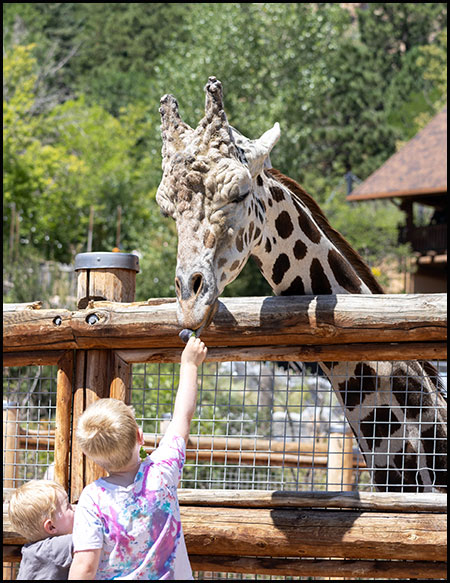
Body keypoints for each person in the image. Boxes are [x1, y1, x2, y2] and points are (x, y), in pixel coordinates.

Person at [68, 335, 208, 580]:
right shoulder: (163, 471)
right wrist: (189, 365)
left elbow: (84, 567)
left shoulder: (92, 500)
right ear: (140, 436)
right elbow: (182, 417)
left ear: (93, 458)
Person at [8, 479, 74, 580]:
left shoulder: (34, 551)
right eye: (68, 506)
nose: (75, 508)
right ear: (51, 527)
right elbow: (91, 537)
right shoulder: (51, 550)